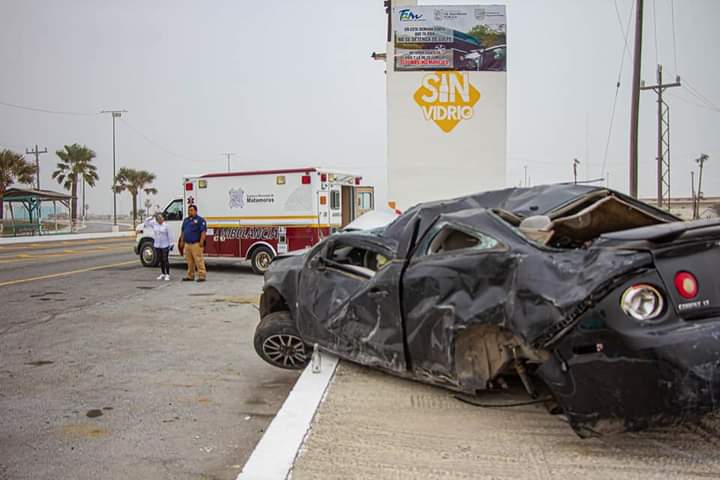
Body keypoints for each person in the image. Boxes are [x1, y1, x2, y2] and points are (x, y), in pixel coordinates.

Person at [178, 204, 207, 282]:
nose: (189, 212)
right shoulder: (186, 220)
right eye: (189, 210)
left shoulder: (200, 220)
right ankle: (190, 276)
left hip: (196, 244)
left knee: (198, 260)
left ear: (195, 211)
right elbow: (183, 231)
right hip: (187, 244)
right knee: (189, 261)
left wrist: (202, 241)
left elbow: (203, 231)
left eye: (191, 210)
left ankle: (202, 276)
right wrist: (182, 241)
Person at [144, 213, 172, 280]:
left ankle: (167, 274)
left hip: (165, 245)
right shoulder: (154, 224)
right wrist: (152, 216)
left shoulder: (166, 225)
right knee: (160, 260)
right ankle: (162, 273)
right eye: (158, 218)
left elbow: (170, 236)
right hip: (157, 245)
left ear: (163, 218)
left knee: (165, 260)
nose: (160, 219)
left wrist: (171, 244)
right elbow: (146, 222)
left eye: (161, 218)